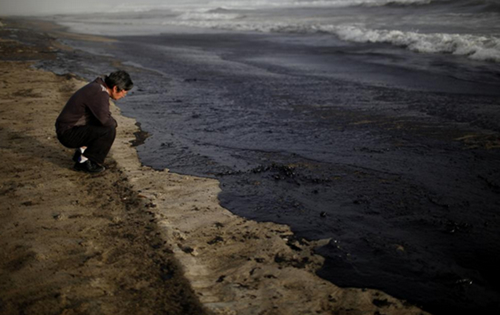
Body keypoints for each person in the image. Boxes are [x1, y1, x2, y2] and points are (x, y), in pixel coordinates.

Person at [55, 70, 133, 173]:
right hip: (67, 133)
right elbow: (106, 120)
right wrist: (114, 123)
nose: (124, 96)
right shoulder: (99, 92)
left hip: (67, 129)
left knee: (101, 124)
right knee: (109, 129)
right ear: (115, 88)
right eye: (124, 92)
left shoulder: (97, 87)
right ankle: (87, 162)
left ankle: (81, 154)